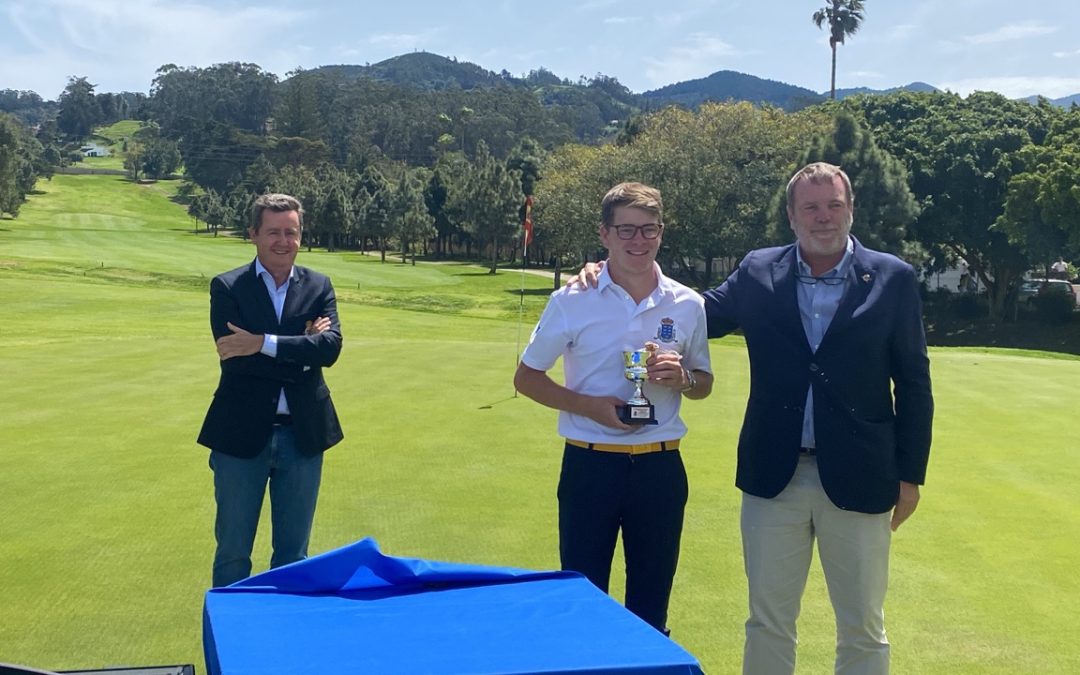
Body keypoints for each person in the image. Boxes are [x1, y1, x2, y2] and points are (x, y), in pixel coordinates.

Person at [574, 163, 933, 674]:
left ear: (850, 209)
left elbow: (914, 383)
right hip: (773, 477)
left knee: (863, 628)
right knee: (768, 622)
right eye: (810, 207)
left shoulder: (893, 278)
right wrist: (611, 271)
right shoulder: (759, 271)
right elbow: (691, 313)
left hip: (863, 475)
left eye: (833, 205)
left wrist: (910, 476)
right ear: (791, 215)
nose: (823, 217)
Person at [514, 182, 714, 634]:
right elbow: (526, 378)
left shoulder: (688, 303)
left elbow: (703, 384)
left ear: (661, 232)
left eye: (649, 229)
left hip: (660, 469)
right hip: (590, 466)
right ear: (604, 234)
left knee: (651, 609)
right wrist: (589, 407)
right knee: (583, 605)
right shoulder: (571, 299)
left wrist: (682, 379)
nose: (638, 240)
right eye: (626, 230)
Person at [198, 193, 344, 588]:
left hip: (303, 435)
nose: (283, 241)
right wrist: (302, 345)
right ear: (253, 234)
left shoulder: (319, 286)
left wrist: (261, 342)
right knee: (233, 553)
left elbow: (330, 350)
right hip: (240, 435)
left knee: (293, 556)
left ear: (301, 236)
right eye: (273, 232)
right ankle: (230, 628)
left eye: (291, 232)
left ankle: (283, 627)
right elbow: (236, 359)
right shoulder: (228, 287)